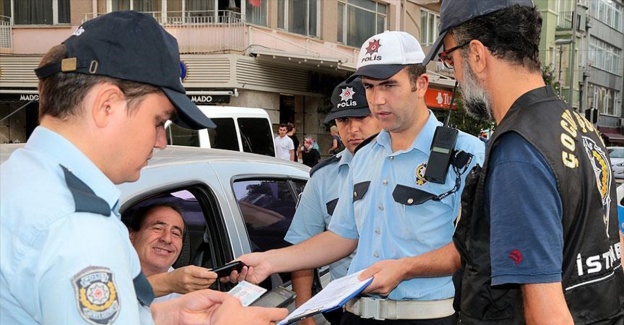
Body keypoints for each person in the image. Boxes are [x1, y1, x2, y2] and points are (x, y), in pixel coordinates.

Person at [0, 11, 287, 325]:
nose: (161, 141)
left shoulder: (21, 179)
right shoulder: (78, 228)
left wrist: (162, 316)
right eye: (158, 121)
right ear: (106, 106)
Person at [230, 31, 485, 325]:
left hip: (425, 318)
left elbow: (472, 247)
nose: (378, 99)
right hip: (355, 316)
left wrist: (405, 268)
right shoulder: (364, 156)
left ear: (420, 84)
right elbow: (342, 237)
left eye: (389, 85)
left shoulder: (466, 153)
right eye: (369, 87)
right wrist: (270, 261)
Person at [423, 0, 624, 324]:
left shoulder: (519, 151)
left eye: (449, 58)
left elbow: (547, 314)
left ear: (476, 54)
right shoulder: (578, 126)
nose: (455, 75)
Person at [285, 76, 382, 325]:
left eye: (362, 117)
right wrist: (306, 317)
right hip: (347, 311)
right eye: (343, 120)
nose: (352, 129)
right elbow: (303, 250)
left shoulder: (406, 166)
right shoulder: (323, 177)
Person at [125, 203, 218, 303]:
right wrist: (169, 282)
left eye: (175, 233)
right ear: (131, 235)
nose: (167, 239)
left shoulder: (188, 296)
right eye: (158, 228)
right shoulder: (111, 270)